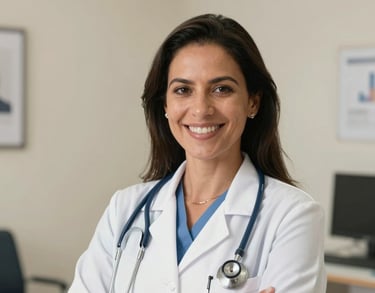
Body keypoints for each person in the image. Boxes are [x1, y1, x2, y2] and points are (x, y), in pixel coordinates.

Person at [68, 14, 326, 292]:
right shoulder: (125, 209)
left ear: (252, 102)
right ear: (164, 105)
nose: (201, 109)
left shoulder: (292, 216)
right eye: (183, 90)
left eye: (221, 89)